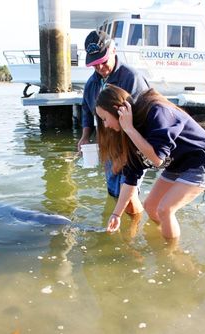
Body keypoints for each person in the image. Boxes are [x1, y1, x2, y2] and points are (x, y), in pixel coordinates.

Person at [95, 84, 205, 239]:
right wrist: (116, 214)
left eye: (104, 119)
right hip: (178, 164)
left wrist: (129, 129)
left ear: (118, 109)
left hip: (203, 161)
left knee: (165, 209)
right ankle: (164, 235)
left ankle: (171, 255)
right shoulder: (129, 135)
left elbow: (156, 159)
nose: (106, 125)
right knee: (151, 206)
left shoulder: (155, 112)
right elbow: (130, 180)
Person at [77, 30, 149, 214]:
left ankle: (132, 237)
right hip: (108, 145)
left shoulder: (132, 78)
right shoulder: (92, 83)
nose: (100, 68)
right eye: (95, 64)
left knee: (129, 196)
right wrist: (85, 137)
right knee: (113, 192)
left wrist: (124, 156)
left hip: (131, 146)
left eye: (103, 61)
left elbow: (145, 120)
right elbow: (86, 109)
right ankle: (118, 231)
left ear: (113, 50)